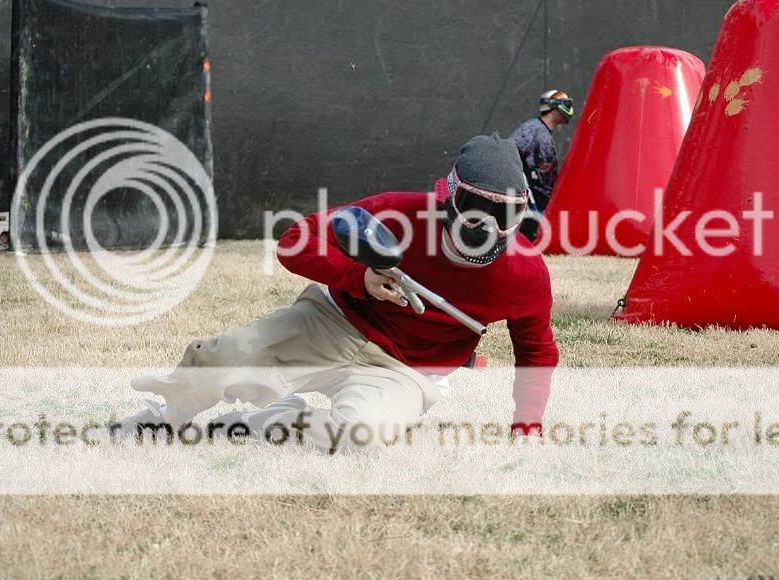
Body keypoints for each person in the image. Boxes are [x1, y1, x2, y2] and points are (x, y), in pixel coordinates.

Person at [118, 134, 559, 452]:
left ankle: (278, 418)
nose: (484, 225)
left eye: (502, 211)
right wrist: (358, 277)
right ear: (446, 195)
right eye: (474, 205)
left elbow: (536, 350)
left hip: (407, 372)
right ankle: (164, 418)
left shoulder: (524, 274)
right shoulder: (399, 212)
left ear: (521, 213)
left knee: (357, 435)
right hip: (334, 323)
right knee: (219, 356)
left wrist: (527, 426)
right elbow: (295, 240)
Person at [510, 90, 574, 238]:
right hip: (530, 197)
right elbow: (510, 151)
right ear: (552, 107)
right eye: (564, 103)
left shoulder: (541, 131)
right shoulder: (533, 128)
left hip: (539, 198)